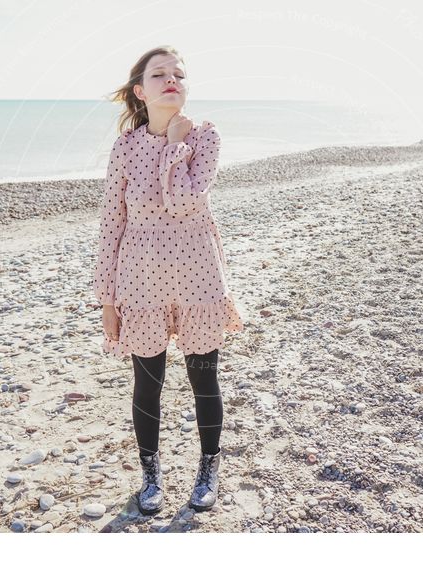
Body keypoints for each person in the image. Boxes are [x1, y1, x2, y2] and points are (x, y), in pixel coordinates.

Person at [93, 46, 244, 515]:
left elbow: (183, 201)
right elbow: (111, 221)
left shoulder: (205, 136)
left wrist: (177, 145)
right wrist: (108, 300)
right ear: (141, 91)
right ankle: (151, 472)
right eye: (159, 74)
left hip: (198, 277)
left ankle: (208, 469)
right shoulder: (125, 147)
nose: (171, 79)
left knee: (204, 378)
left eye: (178, 73)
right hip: (138, 282)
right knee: (148, 383)